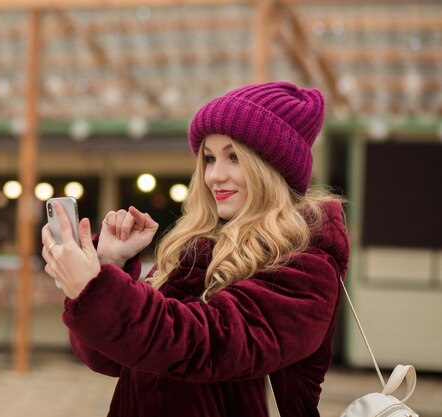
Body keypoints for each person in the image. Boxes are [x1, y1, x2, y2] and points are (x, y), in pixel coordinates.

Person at [41, 81, 350, 417]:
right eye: (208, 158)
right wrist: (109, 265)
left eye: (234, 157)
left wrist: (94, 288)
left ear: (271, 167)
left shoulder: (306, 267)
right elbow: (109, 357)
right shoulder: (192, 250)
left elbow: (205, 345)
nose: (214, 175)